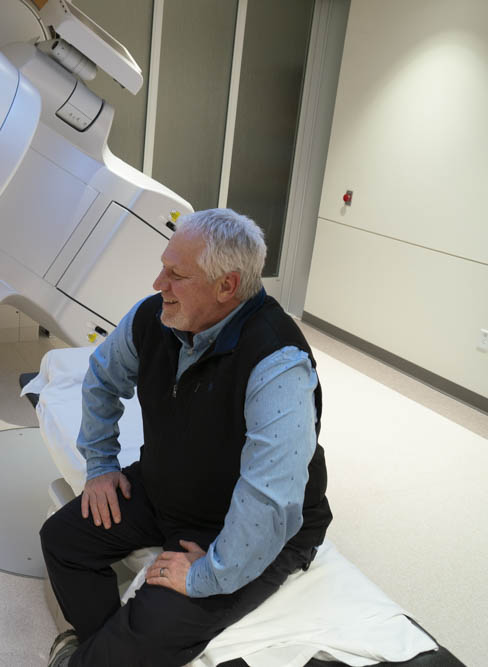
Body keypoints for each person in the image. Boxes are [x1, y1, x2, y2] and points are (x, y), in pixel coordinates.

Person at [41, 208, 332, 666]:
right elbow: (101, 378)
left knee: (149, 624)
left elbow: (269, 500)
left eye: (176, 274)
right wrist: (99, 465)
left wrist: (206, 576)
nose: (159, 283)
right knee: (63, 540)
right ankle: (99, 651)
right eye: (163, 266)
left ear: (227, 286)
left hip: (240, 524)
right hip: (165, 488)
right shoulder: (154, 318)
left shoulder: (277, 364)